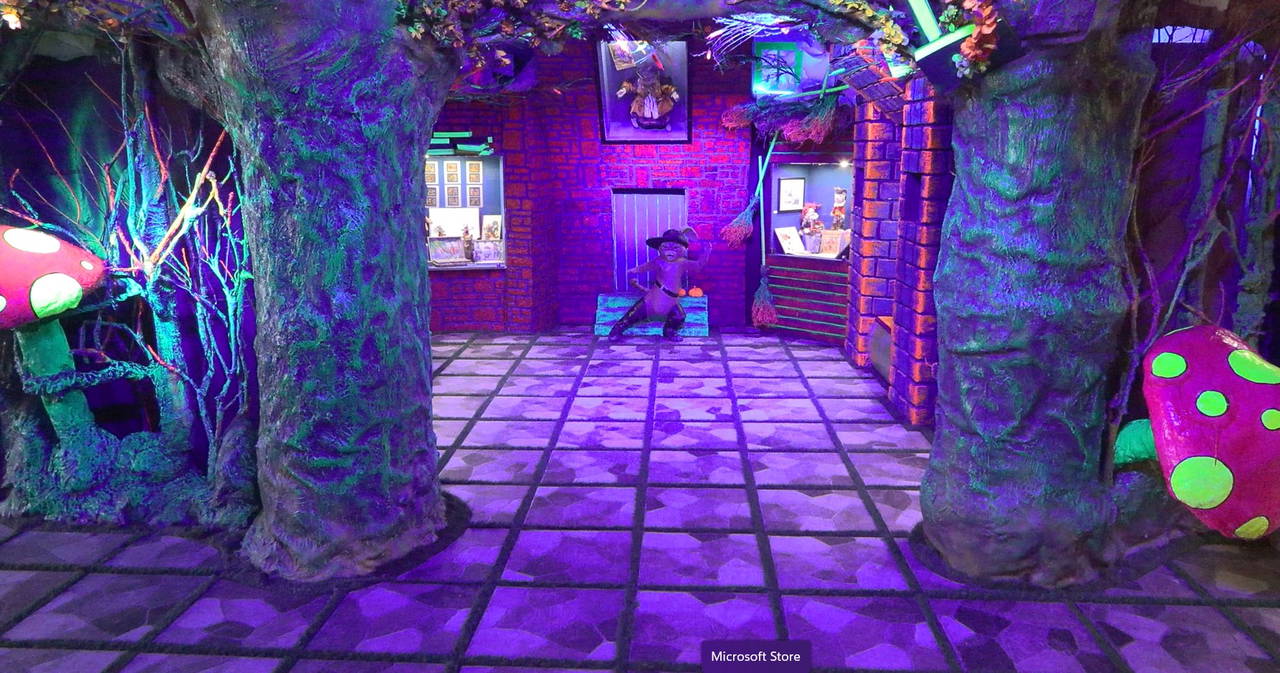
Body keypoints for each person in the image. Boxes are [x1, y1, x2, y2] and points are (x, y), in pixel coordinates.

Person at [609, 228, 710, 342]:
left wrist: (706, 252)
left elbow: (698, 266)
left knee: (679, 316)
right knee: (632, 315)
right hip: (654, 297)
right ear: (660, 248)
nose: (670, 251)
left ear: (682, 249)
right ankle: (615, 331)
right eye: (666, 247)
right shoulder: (659, 261)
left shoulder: (682, 262)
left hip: (671, 300)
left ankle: (669, 332)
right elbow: (647, 266)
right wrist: (635, 270)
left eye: (675, 248)